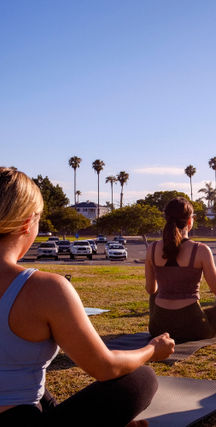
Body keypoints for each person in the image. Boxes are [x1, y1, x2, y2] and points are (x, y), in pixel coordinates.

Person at [0, 167, 175, 426]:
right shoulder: (44, 288)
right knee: (141, 379)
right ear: (27, 222)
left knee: (40, 390)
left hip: (27, 404)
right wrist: (151, 349)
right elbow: (105, 367)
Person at [146, 197, 216, 343]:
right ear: (190, 221)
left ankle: (203, 317)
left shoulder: (152, 249)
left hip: (158, 328)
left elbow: (151, 290)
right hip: (194, 328)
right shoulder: (201, 250)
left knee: (157, 293)